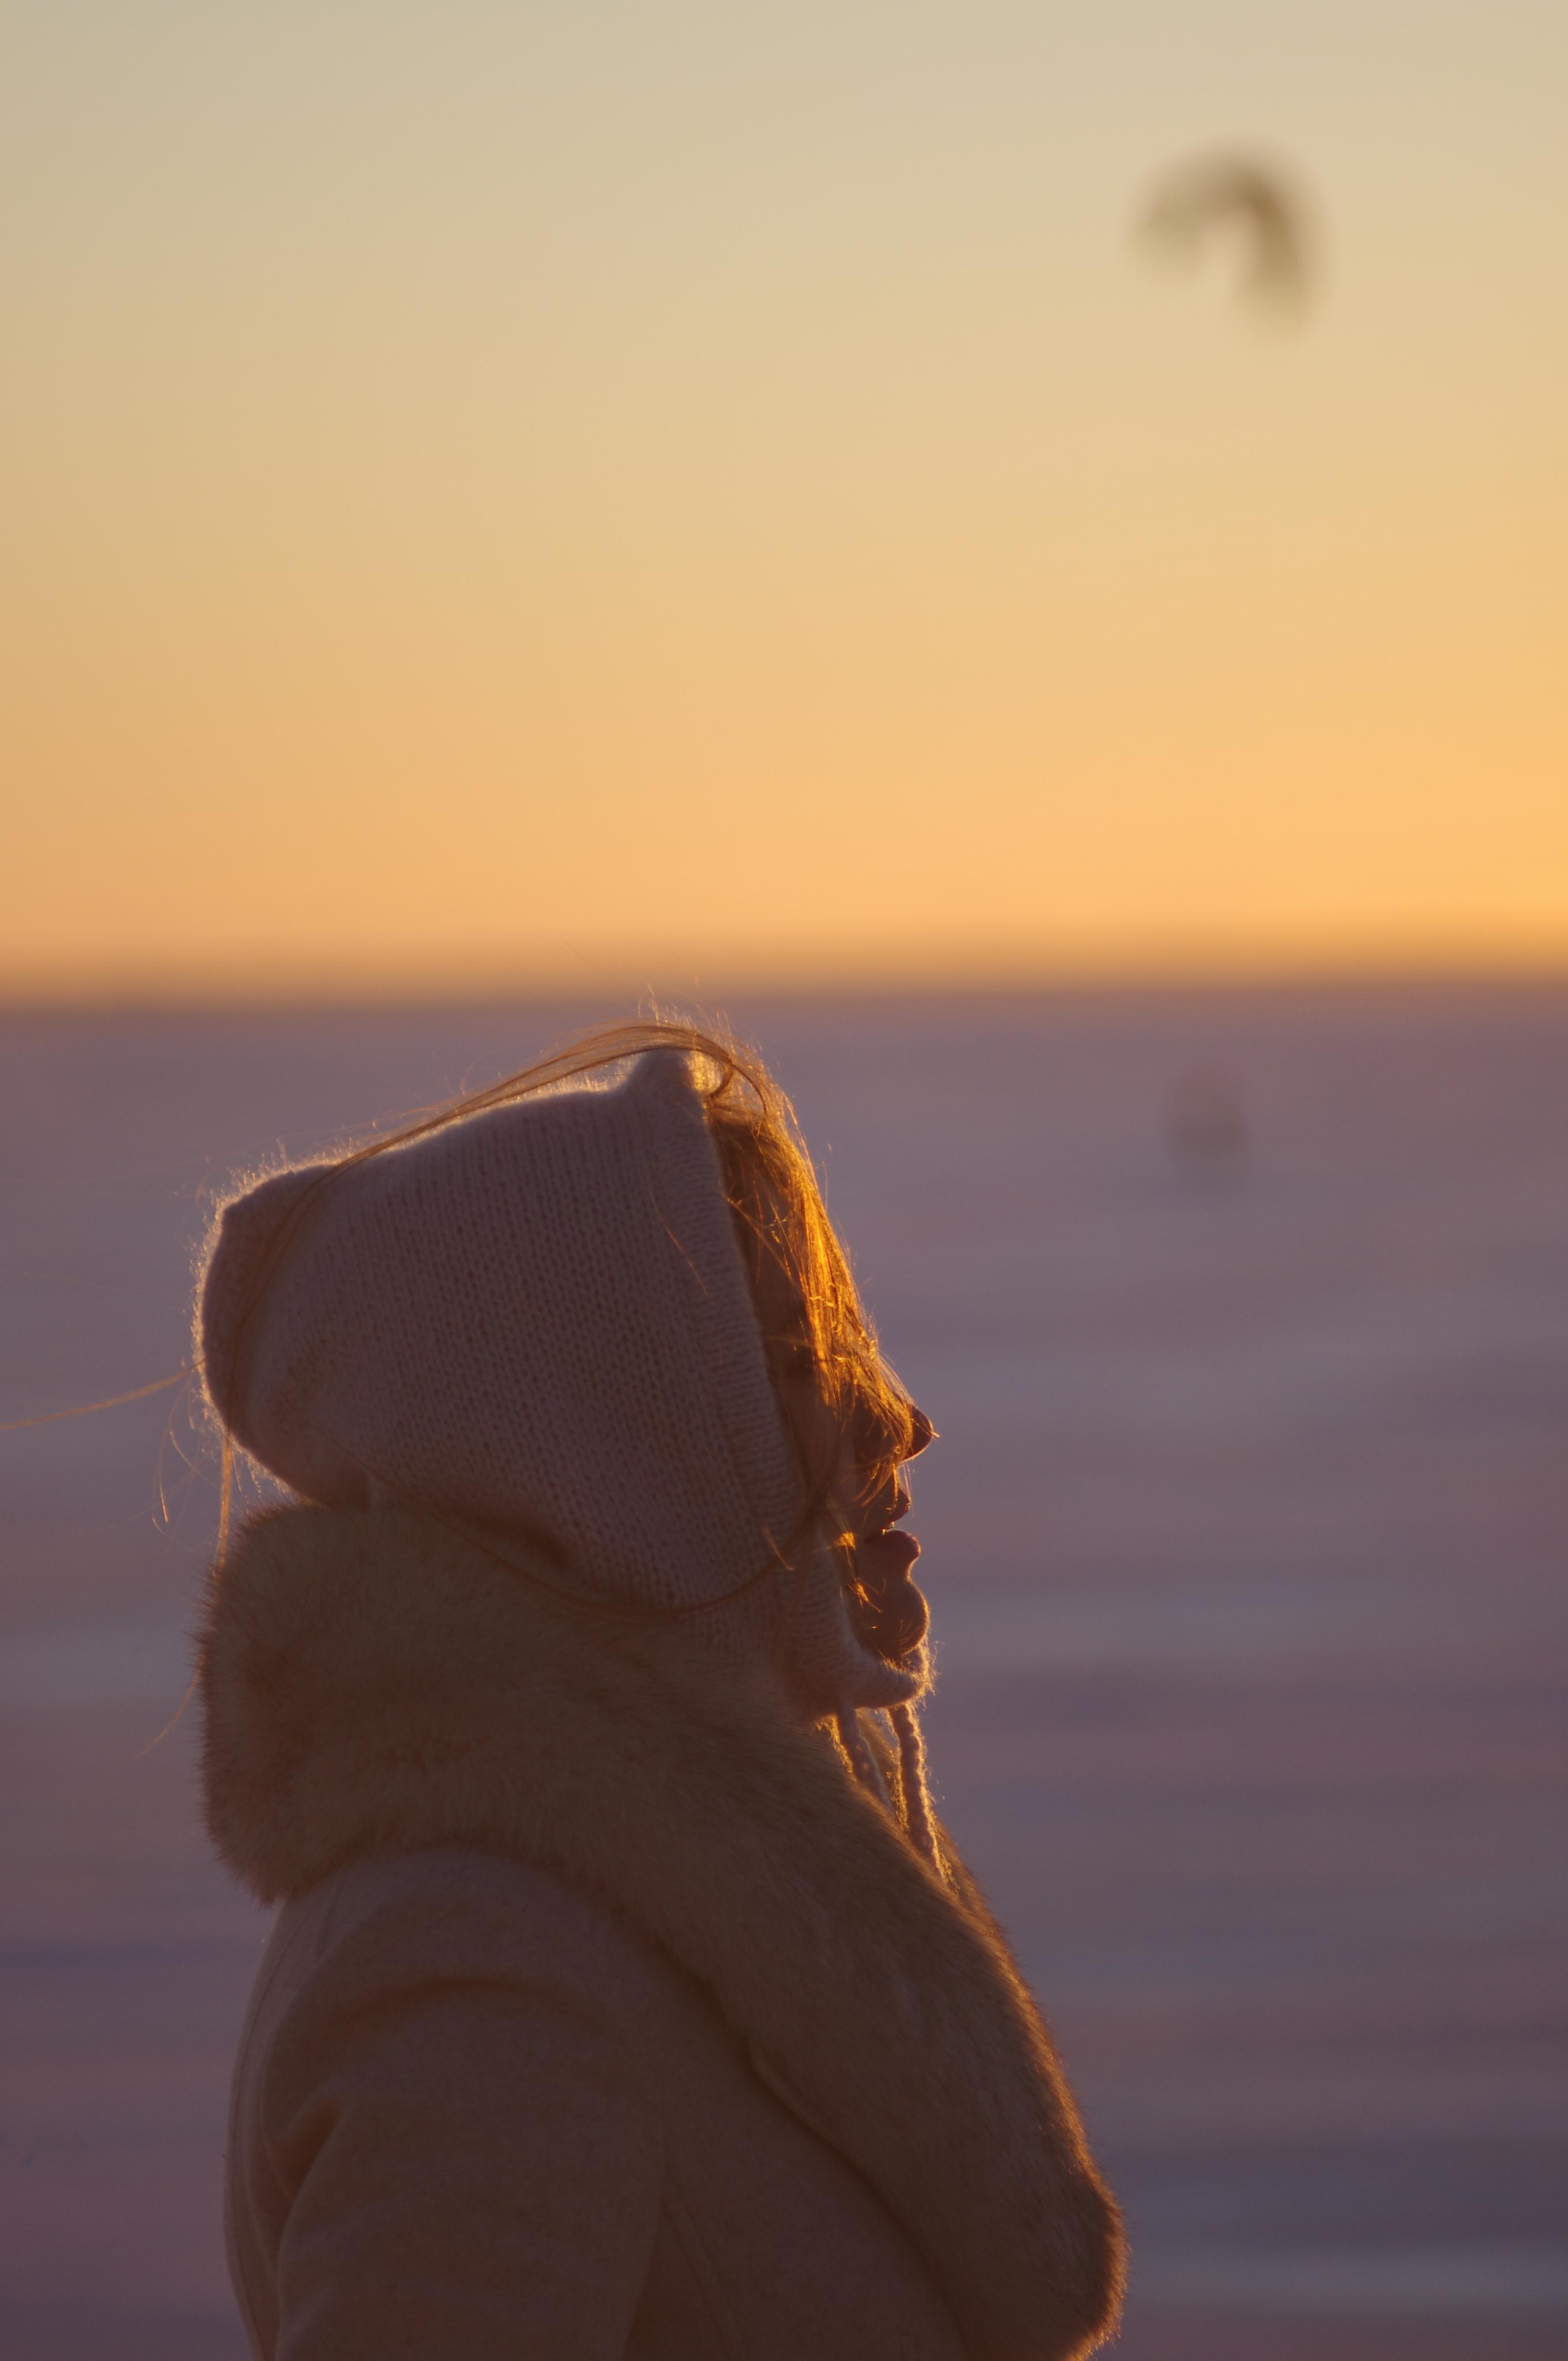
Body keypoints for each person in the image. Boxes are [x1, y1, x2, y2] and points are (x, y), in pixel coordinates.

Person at [195, 1019, 1124, 2361]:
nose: (896, 1420)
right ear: (607, 1447)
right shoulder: (479, 1976)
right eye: (803, 1362)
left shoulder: (672, 1896)